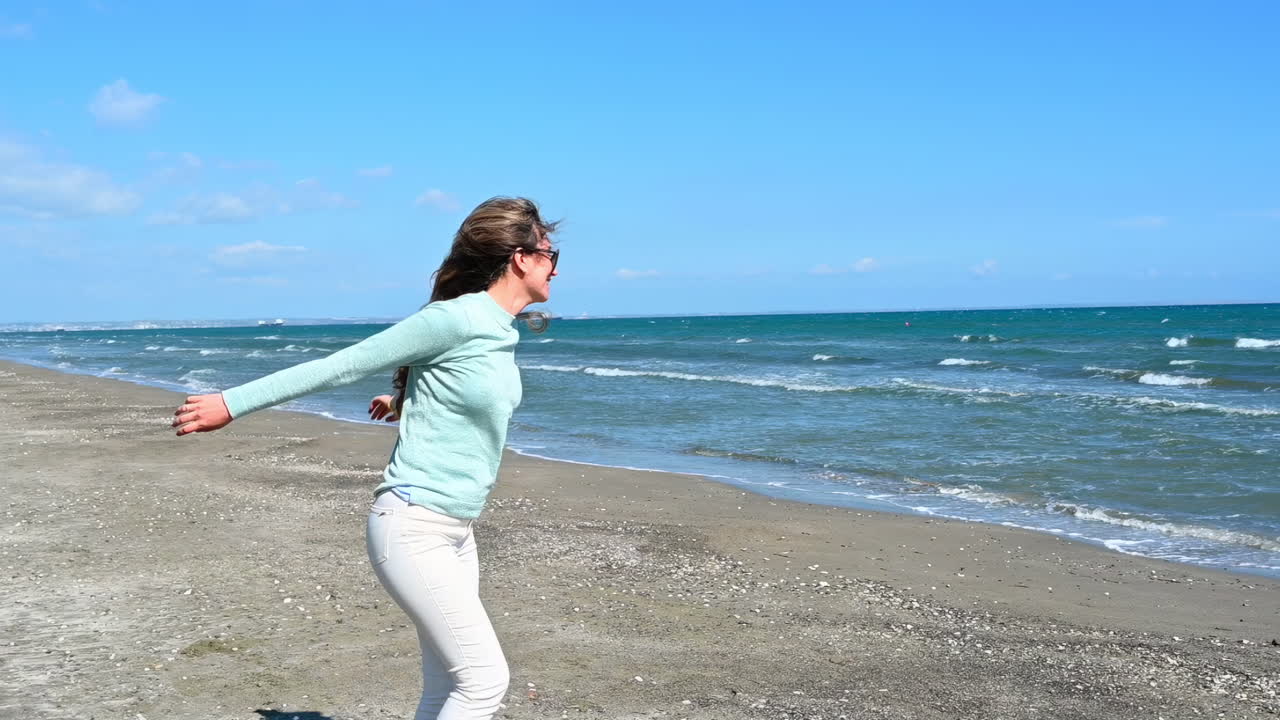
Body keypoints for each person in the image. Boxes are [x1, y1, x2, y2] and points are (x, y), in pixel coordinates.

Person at [171, 196, 560, 720]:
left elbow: (463, 389)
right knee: (485, 681)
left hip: (457, 531)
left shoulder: (497, 329)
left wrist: (404, 401)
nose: (555, 268)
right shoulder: (455, 318)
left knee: (446, 685)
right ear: (521, 257)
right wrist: (231, 403)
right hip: (413, 526)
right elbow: (343, 365)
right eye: (551, 254)